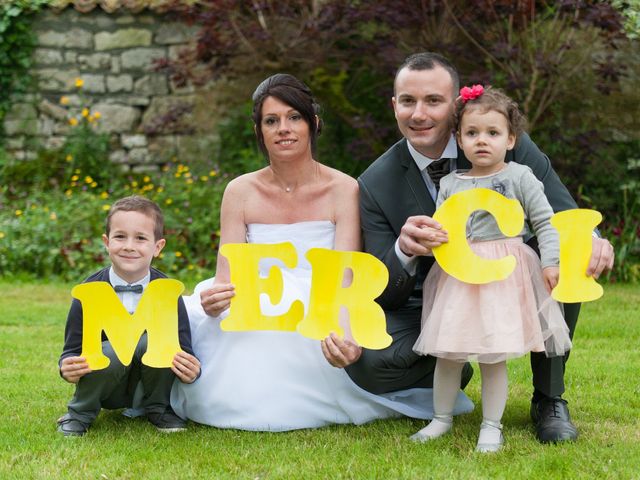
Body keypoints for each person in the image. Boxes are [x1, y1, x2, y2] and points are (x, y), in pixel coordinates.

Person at [170, 73, 472, 431]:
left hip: (323, 299)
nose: (284, 128)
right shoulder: (239, 192)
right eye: (271, 120)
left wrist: (345, 333)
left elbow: (345, 275)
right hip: (256, 301)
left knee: (328, 343)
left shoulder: (344, 189)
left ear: (313, 123)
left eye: (294, 117)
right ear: (259, 130)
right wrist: (214, 300)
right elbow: (227, 276)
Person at [340, 52, 614, 443]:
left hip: (506, 275)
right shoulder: (374, 182)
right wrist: (404, 248)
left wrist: (591, 238)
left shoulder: (504, 139)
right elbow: (383, 287)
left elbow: (557, 206)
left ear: (455, 107)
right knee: (369, 362)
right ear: (394, 105)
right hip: (430, 298)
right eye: (407, 101)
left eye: (433, 101)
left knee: (569, 253)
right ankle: (448, 368)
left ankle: (549, 398)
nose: (419, 113)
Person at [411, 85, 572, 452]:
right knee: (449, 352)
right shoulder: (450, 183)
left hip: (505, 274)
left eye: (493, 133)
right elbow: (444, 227)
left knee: (492, 355)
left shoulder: (520, 177)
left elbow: (546, 222)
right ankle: (441, 418)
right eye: (472, 133)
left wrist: (550, 262)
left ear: (511, 138)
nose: (482, 141)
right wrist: (432, 237)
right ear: (459, 139)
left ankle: (491, 424)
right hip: (461, 276)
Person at [57, 195, 201, 436]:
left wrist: (191, 369)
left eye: (141, 238)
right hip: (106, 384)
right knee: (111, 350)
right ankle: (80, 413)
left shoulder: (167, 291)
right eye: (120, 236)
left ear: (158, 247)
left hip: (149, 384)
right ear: (106, 241)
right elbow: (71, 351)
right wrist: (66, 368)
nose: (129, 246)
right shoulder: (89, 291)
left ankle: (158, 408)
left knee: (156, 342)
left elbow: (182, 346)